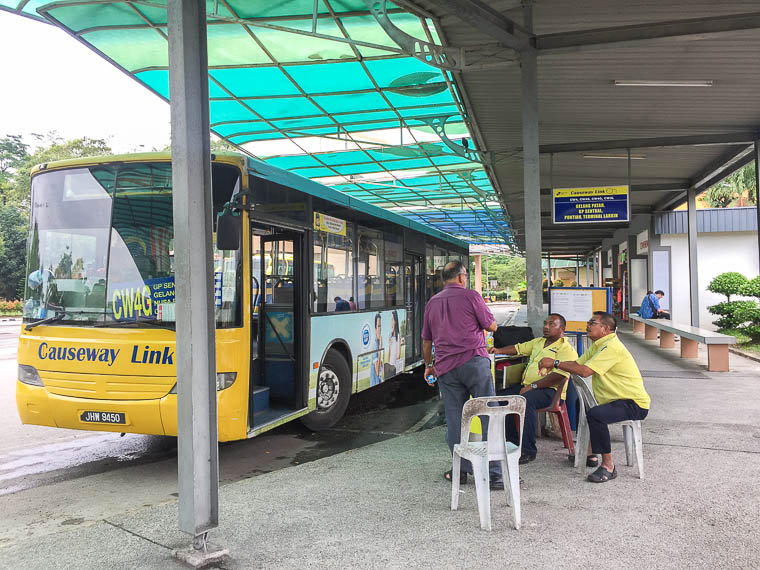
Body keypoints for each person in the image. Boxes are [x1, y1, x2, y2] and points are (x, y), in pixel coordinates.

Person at [538, 311, 650, 483]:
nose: (587, 325)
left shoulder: (611, 347)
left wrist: (554, 363)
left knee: (596, 415)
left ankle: (608, 466)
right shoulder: (598, 345)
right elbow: (577, 364)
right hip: (615, 400)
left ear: (605, 328)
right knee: (582, 405)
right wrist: (553, 364)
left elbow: (585, 371)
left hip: (633, 403)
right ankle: (590, 455)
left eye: (592, 322)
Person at [422, 260, 502, 489]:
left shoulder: (432, 302)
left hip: (446, 368)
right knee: (488, 415)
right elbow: (492, 326)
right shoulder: (471, 296)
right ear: (460, 277)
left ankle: (461, 470)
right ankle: (494, 473)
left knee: (456, 419)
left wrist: (429, 365)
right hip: (474, 363)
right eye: (465, 275)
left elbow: (426, 340)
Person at [489, 313, 578, 464]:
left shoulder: (566, 349)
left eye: (551, 324)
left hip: (551, 391)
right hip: (528, 387)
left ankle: (528, 450)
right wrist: (498, 351)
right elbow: (518, 349)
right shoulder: (538, 342)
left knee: (525, 401)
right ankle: (512, 442)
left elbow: (559, 376)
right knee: (502, 398)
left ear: (561, 329)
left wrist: (533, 386)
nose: (546, 327)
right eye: (545, 323)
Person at [370, 313, 383, 386]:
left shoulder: (378, 343)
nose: (380, 329)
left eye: (380, 326)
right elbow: (377, 372)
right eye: (378, 326)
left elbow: (381, 366)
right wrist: (380, 347)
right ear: (375, 329)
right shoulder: (375, 345)